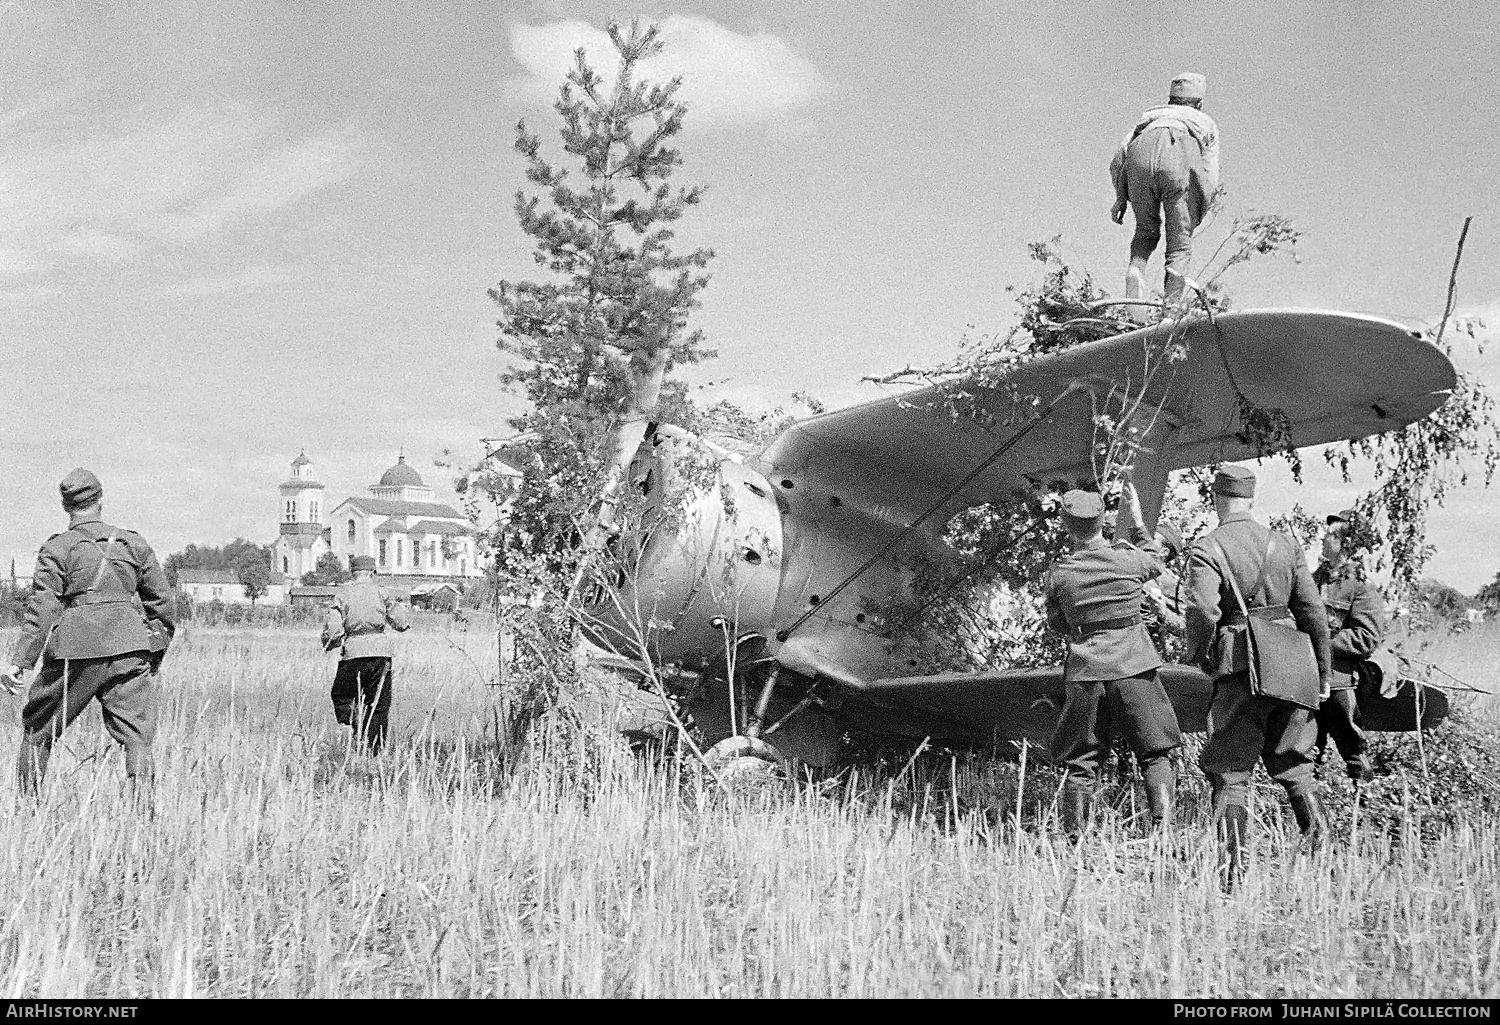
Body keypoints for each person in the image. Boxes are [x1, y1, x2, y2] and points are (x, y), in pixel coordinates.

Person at [1184, 465, 1331, 883]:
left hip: (1240, 668)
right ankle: (1324, 858)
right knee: (1296, 764)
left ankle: (1232, 874)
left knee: (1231, 772)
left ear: (1215, 498)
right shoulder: (1285, 544)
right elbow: (1313, 612)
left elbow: (1202, 611)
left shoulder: (1208, 547)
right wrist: (1321, 671)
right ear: (1252, 498)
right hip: (1292, 663)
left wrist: (1200, 656)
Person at [1, 469, 174, 796]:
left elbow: (43, 608)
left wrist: (21, 661)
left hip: (74, 651)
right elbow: (163, 604)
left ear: (65, 506)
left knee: (39, 733)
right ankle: (143, 820)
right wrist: (152, 652)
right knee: (137, 738)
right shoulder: (132, 543)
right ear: (101, 499)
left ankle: (28, 814)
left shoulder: (57, 548)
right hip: (130, 648)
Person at [1044, 489, 1183, 834]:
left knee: (1081, 764)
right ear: (1102, 520)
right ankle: (1162, 835)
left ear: (1066, 524)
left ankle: (1074, 841)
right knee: (1155, 754)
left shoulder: (1060, 574)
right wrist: (1136, 521)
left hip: (1086, 672)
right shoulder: (1128, 560)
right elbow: (1155, 557)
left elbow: (1058, 624)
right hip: (1133, 666)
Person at [1109, 72, 1221, 306]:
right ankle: (1170, 310)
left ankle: (1135, 271)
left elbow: (1120, 156)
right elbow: (1210, 173)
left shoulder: (1149, 118)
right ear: (1199, 103)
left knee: (1145, 232)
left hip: (1140, 154)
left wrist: (1120, 198)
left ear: (1170, 99)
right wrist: (1199, 209)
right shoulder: (1205, 123)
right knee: (1180, 245)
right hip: (1178, 153)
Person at [1313, 509, 1386, 783]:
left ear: (1347, 544)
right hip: (1309, 679)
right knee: (1308, 750)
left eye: (1331, 535)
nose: (1323, 538)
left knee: (1352, 750)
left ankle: (1362, 809)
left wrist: (1321, 641)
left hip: (1340, 682)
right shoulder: (1315, 579)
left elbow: (1367, 637)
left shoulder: (1361, 587)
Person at [321, 554, 410, 752]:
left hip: (353, 652)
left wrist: (329, 643)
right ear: (373, 572)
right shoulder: (382, 592)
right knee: (378, 705)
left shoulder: (342, 595)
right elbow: (402, 622)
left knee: (341, 695)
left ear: (352, 573)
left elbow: (334, 631)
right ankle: (374, 752)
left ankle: (356, 720)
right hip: (381, 654)